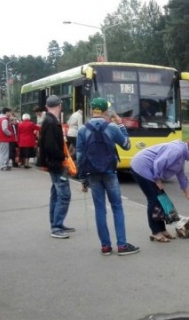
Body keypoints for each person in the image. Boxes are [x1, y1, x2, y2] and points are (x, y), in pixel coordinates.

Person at [76, 98, 140, 256]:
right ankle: (122, 245)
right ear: (105, 112)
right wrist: (120, 125)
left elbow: (79, 156)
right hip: (110, 172)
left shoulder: (83, 129)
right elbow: (126, 145)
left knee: (99, 209)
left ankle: (105, 246)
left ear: (92, 110)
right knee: (117, 207)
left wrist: (83, 178)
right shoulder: (111, 127)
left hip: (92, 173)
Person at [130, 137, 189, 242]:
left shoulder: (181, 156)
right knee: (154, 200)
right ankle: (156, 232)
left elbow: (181, 175)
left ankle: (162, 230)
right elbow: (159, 163)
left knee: (160, 200)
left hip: (148, 170)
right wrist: (158, 180)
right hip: (141, 167)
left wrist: (186, 193)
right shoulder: (176, 151)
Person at [36, 95, 74, 239]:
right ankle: (57, 226)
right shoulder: (52, 122)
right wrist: (63, 157)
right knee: (64, 194)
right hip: (56, 163)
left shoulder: (48, 120)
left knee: (56, 194)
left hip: (52, 163)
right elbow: (51, 146)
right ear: (59, 105)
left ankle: (56, 223)